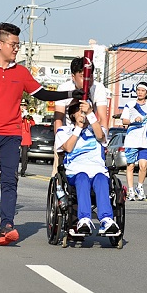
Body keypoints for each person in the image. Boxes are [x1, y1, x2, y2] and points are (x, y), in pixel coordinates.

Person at [0, 22, 82, 246]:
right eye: (13, 44)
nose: (16, 49)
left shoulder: (21, 72)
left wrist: (72, 92)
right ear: (0, 44)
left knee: (10, 181)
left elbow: (42, 94)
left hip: (11, 135)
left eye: (18, 45)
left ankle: (8, 226)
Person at [56, 100, 120, 235]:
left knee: (102, 179)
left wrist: (91, 114)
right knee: (83, 177)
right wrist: (78, 128)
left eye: (86, 109)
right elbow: (67, 148)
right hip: (76, 171)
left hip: (97, 169)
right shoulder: (64, 131)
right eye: (81, 110)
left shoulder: (97, 129)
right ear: (73, 114)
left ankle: (107, 220)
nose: (83, 113)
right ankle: (84, 219)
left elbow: (100, 136)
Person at [53, 56, 109, 176]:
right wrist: (60, 143)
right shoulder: (63, 88)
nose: (87, 80)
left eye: (90, 76)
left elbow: (103, 118)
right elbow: (58, 119)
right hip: (68, 134)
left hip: (89, 135)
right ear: (73, 76)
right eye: (83, 76)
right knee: (59, 173)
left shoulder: (98, 88)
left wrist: (104, 140)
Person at [121, 81, 147, 201]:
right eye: (138, 90)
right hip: (131, 140)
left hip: (144, 140)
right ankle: (130, 190)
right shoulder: (130, 105)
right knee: (130, 166)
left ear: (146, 92)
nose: (140, 92)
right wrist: (133, 120)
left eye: (143, 90)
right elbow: (124, 121)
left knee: (143, 165)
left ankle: (139, 187)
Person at [19, 104, 35, 177]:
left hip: (25, 138)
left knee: (24, 156)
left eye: (24, 106)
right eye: (21, 106)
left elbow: (33, 124)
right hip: (17, 136)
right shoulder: (17, 114)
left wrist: (29, 116)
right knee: (15, 154)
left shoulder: (28, 117)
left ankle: (23, 170)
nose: (23, 107)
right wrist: (22, 115)